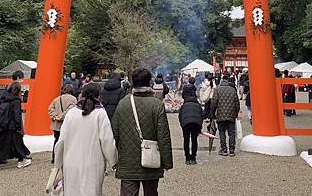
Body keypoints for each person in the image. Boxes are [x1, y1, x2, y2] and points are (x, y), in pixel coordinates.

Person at [112, 68, 173, 196]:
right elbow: (163, 135)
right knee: (151, 192)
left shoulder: (123, 103)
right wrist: (167, 161)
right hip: (151, 159)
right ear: (149, 82)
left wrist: (113, 159)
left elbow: (114, 133)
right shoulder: (156, 105)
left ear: (133, 83)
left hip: (127, 160)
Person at [54, 82, 117, 196]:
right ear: (99, 95)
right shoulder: (100, 113)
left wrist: (58, 162)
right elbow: (107, 141)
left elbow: (61, 140)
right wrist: (114, 162)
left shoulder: (71, 113)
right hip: (92, 163)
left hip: (70, 162)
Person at [0, 81, 31, 172]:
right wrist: (18, 127)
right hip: (11, 126)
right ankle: (21, 160)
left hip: (1, 124)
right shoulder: (16, 100)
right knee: (17, 142)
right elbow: (16, 115)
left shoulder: (2, 98)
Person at [211, 73, 240, 156]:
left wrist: (212, 113)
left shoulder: (217, 90)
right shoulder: (233, 90)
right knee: (231, 132)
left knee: (222, 132)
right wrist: (236, 112)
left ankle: (224, 149)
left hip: (220, 114)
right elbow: (237, 103)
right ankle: (231, 150)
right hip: (231, 114)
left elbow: (213, 103)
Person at [47, 83, 77, 163]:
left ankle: (54, 158)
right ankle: (65, 158)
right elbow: (71, 109)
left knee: (57, 140)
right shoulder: (73, 99)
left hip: (56, 125)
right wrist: (62, 116)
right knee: (68, 142)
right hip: (67, 124)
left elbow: (50, 108)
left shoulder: (57, 99)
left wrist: (54, 116)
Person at [178, 91, 203, 165]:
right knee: (194, 140)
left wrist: (182, 125)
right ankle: (193, 158)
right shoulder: (198, 106)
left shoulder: (183, 106)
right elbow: (202, 116)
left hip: (186, 124)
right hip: (196, 123)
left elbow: (180, 116)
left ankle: (187, 158)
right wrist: (199, 127)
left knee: (186, 140)